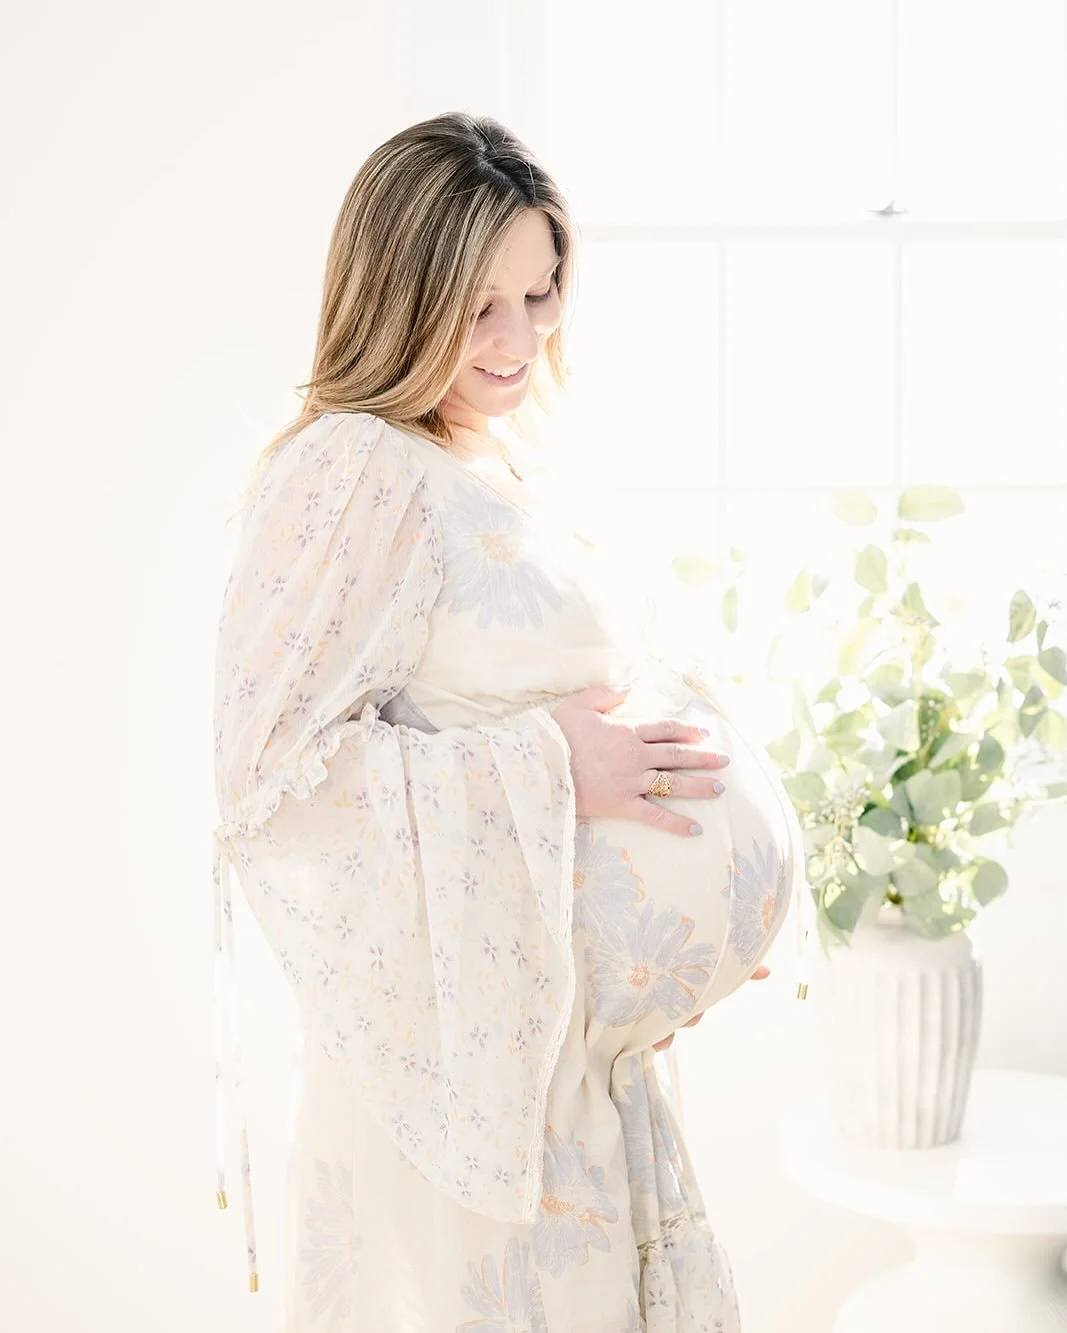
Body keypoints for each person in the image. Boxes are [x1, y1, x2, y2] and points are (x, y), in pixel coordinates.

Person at [211, 110, 809, 1332]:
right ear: (398, 294)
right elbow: (266, 786)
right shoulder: (352, 469)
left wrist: (659, 935)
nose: (517, 340)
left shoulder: (488, 459)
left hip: (573, 1066)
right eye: (479, 305)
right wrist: (546, 769)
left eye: (538, 297)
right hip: (463, 1097)